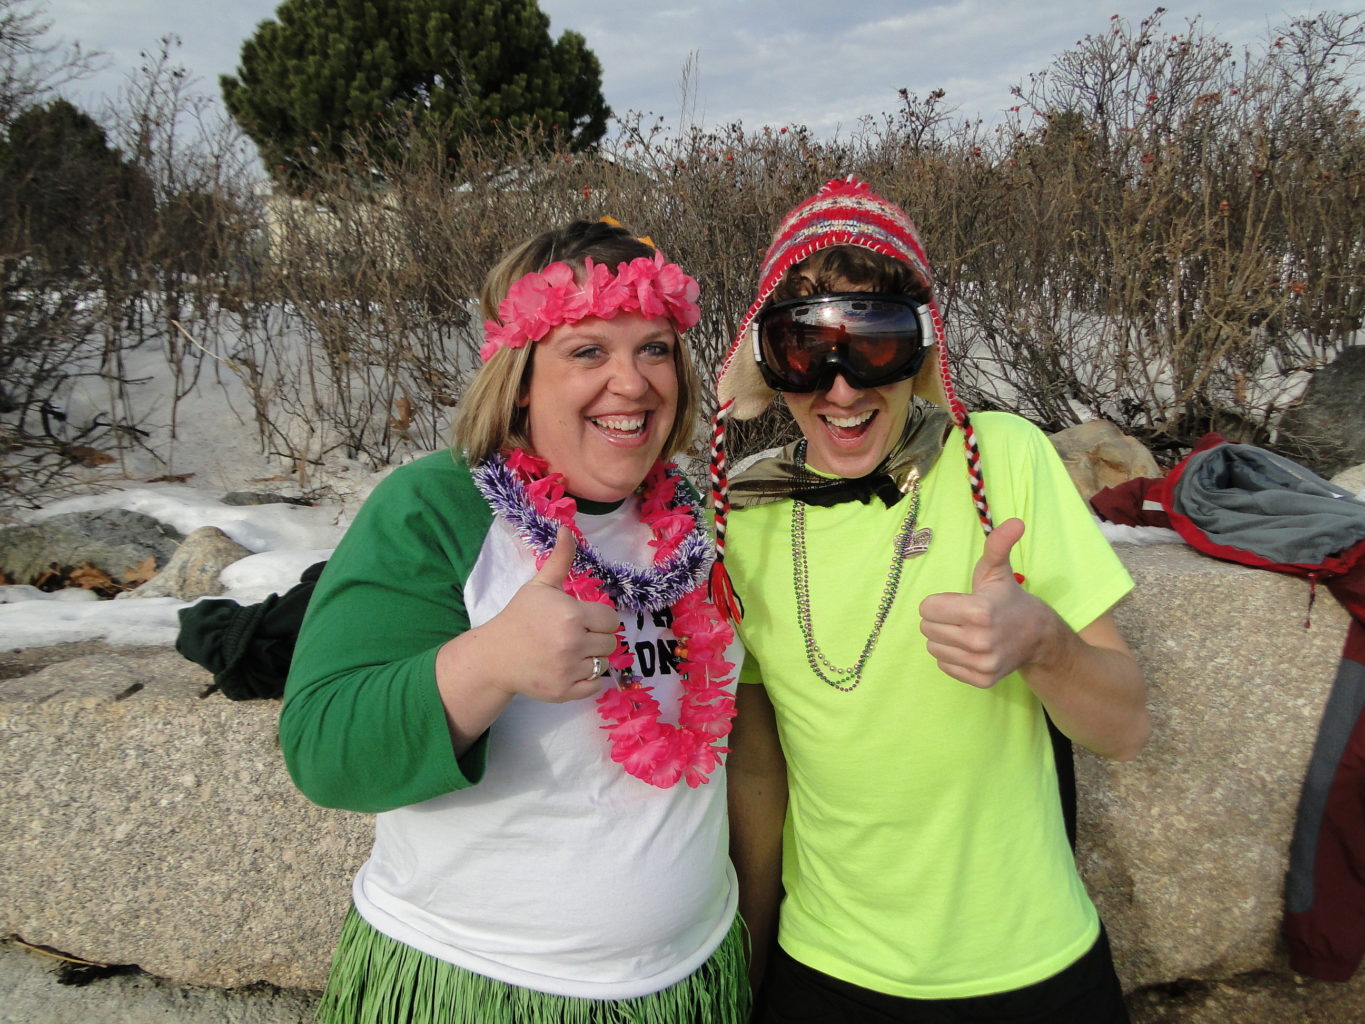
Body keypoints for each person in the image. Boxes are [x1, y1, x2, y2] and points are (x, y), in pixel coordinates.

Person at [280, 218, 748, 1023]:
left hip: (694, 973)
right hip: (480, 982)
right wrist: (487, 663)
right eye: (588, 351)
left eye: (654, 348)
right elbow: (326, 754)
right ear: (521, 377)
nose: (633, 383)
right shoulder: (436, 507)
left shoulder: (695, 521)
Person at [707, 178, 1151, 1023]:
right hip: (825, 967)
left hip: (1028, 966)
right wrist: (752, 963)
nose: (841, 390)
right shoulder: (741, 519)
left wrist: (1044, 644)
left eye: (873, 345)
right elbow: (758, 768)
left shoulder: (1002, 461)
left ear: (920, 350)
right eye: (805, 350)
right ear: (765, 363)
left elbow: (1124, 728)